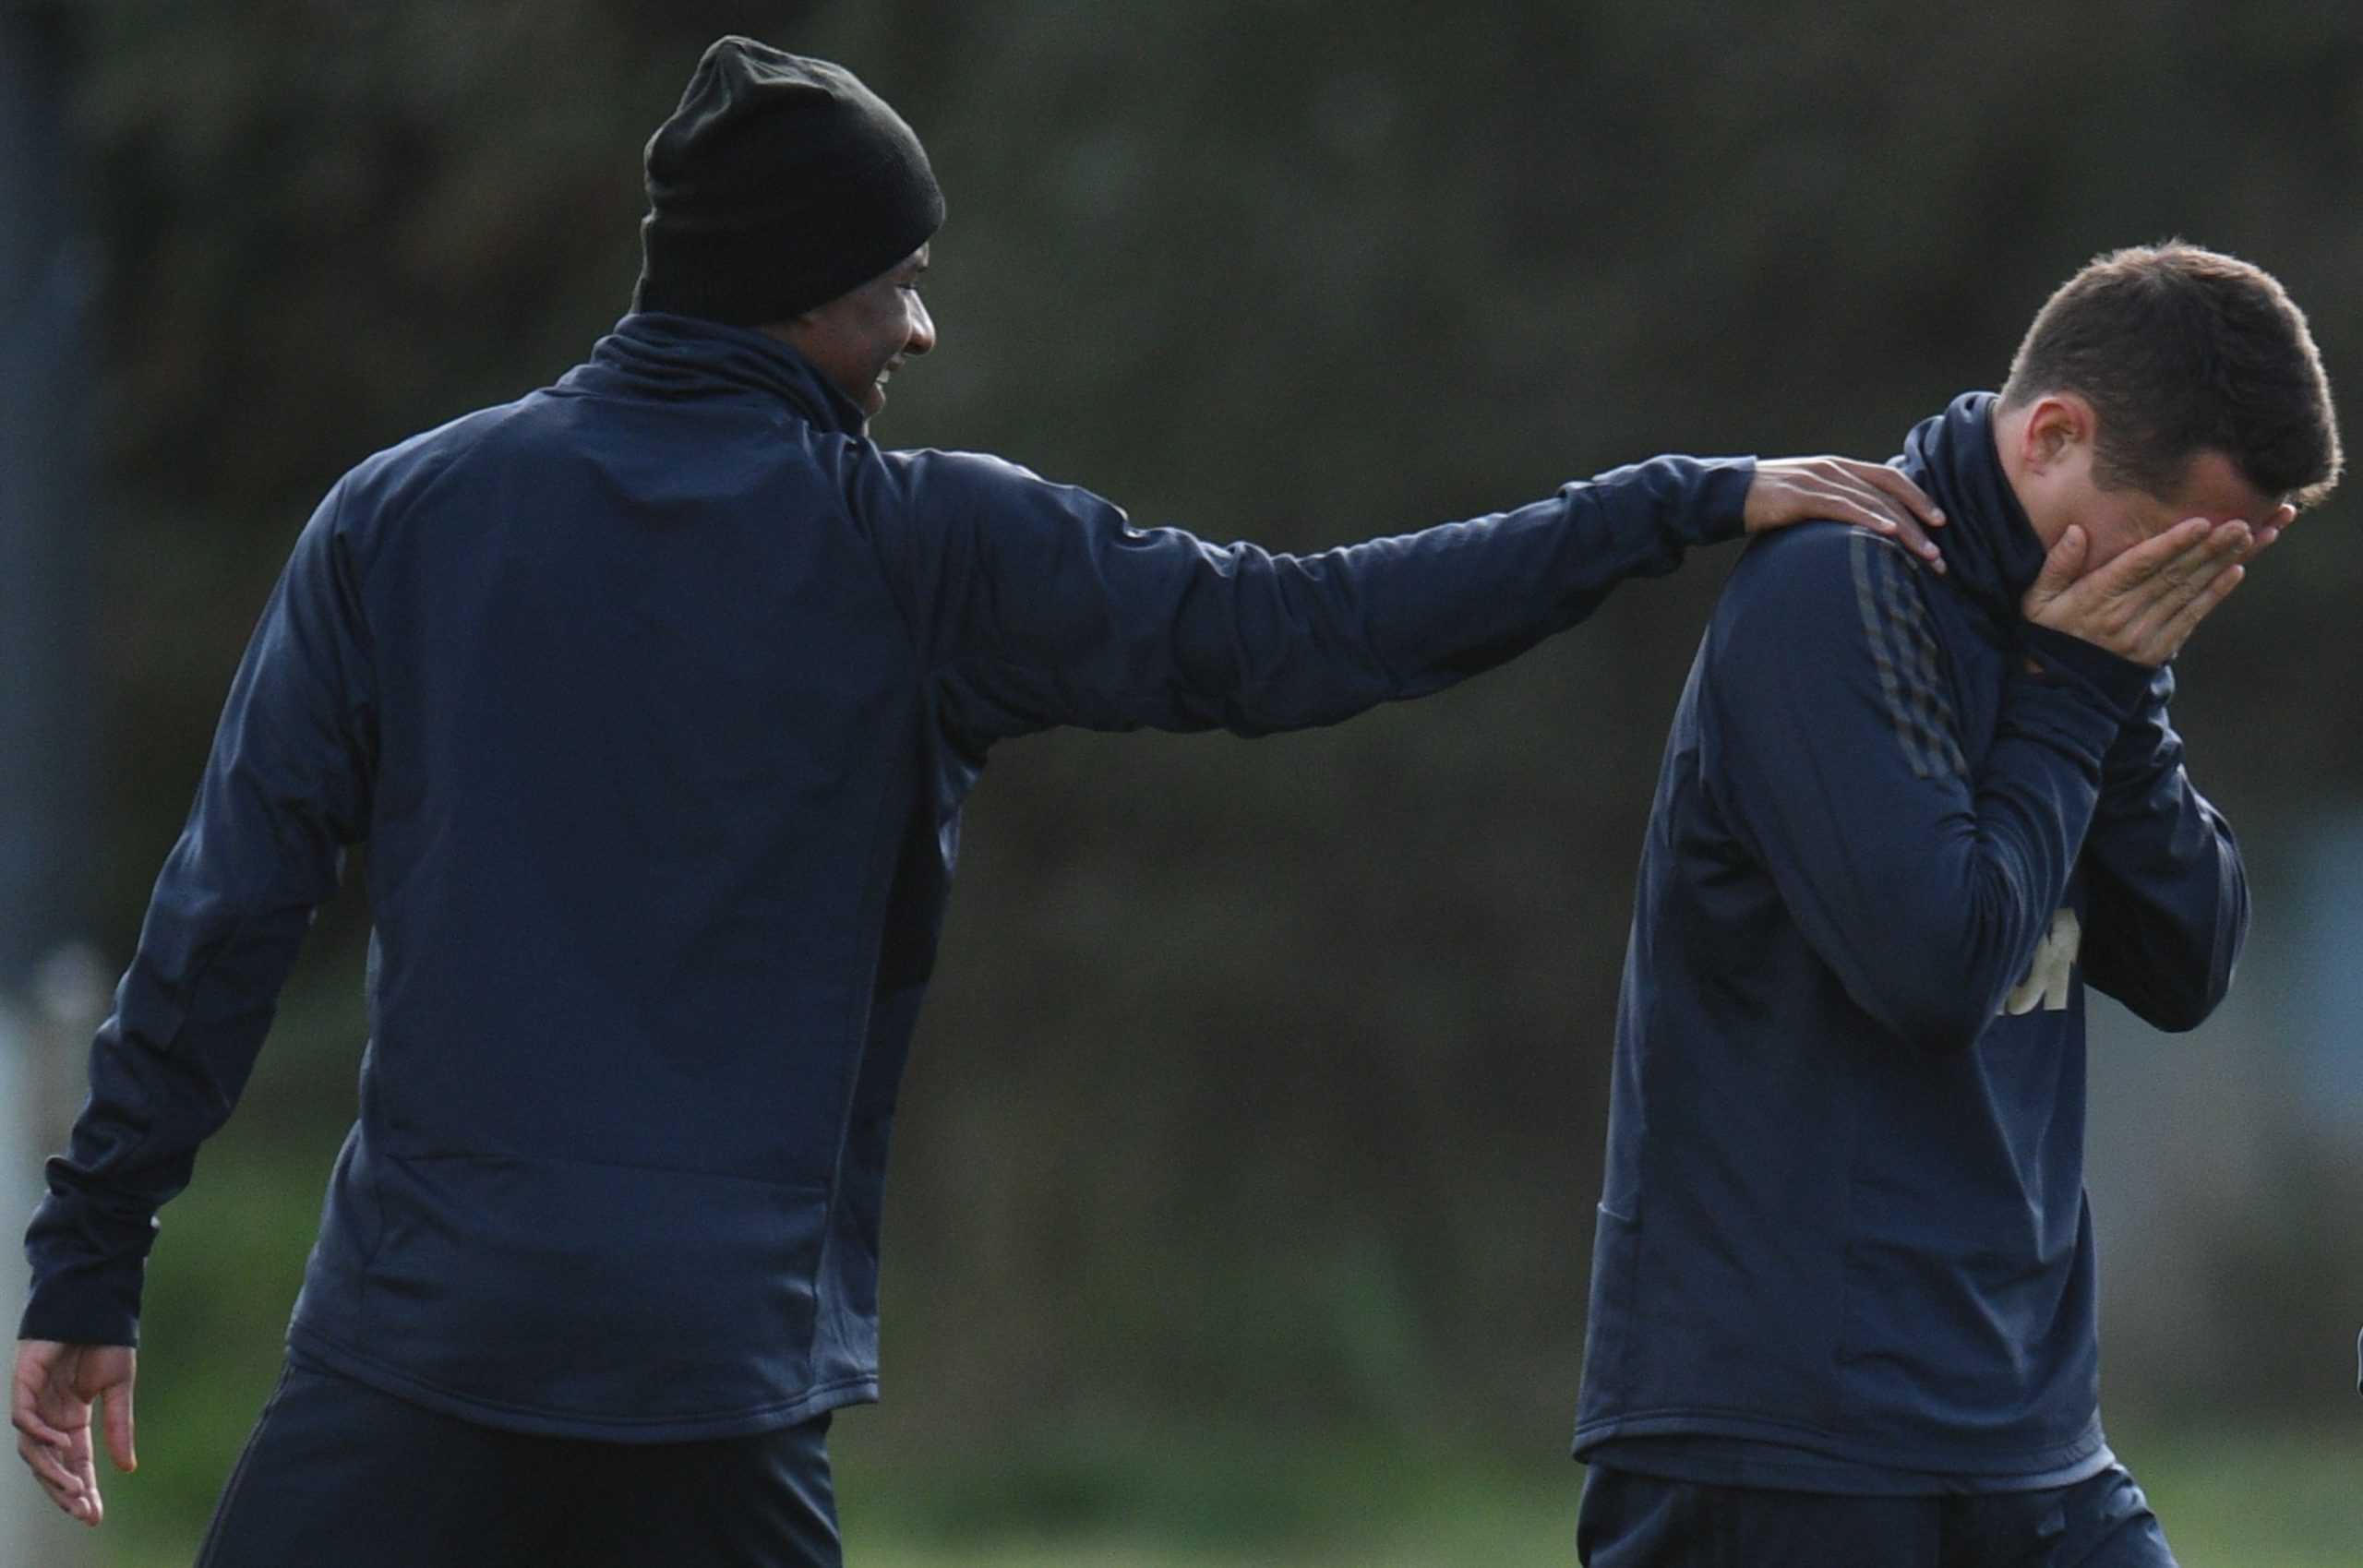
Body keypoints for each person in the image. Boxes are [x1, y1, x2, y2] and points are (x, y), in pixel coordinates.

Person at [12, 37, 1946, 1567]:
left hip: (419, 1342)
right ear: (797, 295)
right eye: (894, 288)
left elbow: (226, 905)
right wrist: (1669, 499)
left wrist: (93, 1255)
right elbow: (1300, 636)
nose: (916, 333)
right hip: (710, 1364)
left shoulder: (402, 515)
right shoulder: (924, 549)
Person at [1571, 242, 2342, 1567]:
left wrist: (2120, 697)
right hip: (1791, 1446)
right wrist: (2076, 693)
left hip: (2024, 1435)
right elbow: (1937, 964)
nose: (2170, 594)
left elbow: (2188, 961)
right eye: (2169, 549)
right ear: (2052, 435)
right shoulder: (1836, 593)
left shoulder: (2073, 639)